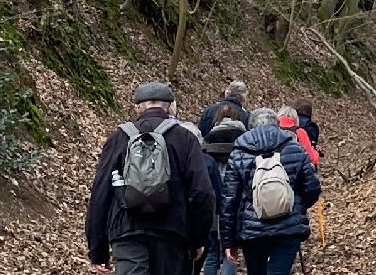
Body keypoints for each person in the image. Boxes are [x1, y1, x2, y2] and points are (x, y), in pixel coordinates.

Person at [86, 83, 217, 275]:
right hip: (171, 233)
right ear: (170, 107)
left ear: (137, 107)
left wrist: (98, 250)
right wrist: (197, 239)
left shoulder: (119, 138)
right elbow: (203, 192)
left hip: (126, 231)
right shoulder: (186, 138)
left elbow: (100, 193)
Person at [219, 108, 322, 275]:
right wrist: (296, 206)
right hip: (288, 227)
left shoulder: (239, 153)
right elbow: (312, 187)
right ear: (277, 125)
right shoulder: (294, 148)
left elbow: (229, 200)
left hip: (252, 231)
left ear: (250, 127)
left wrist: (228, 242)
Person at [196, 107, 246, 275]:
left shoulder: (208, 140)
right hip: (235, 201)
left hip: (213, 201)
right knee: (231, 250)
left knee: (211, 252)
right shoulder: (245, 140)